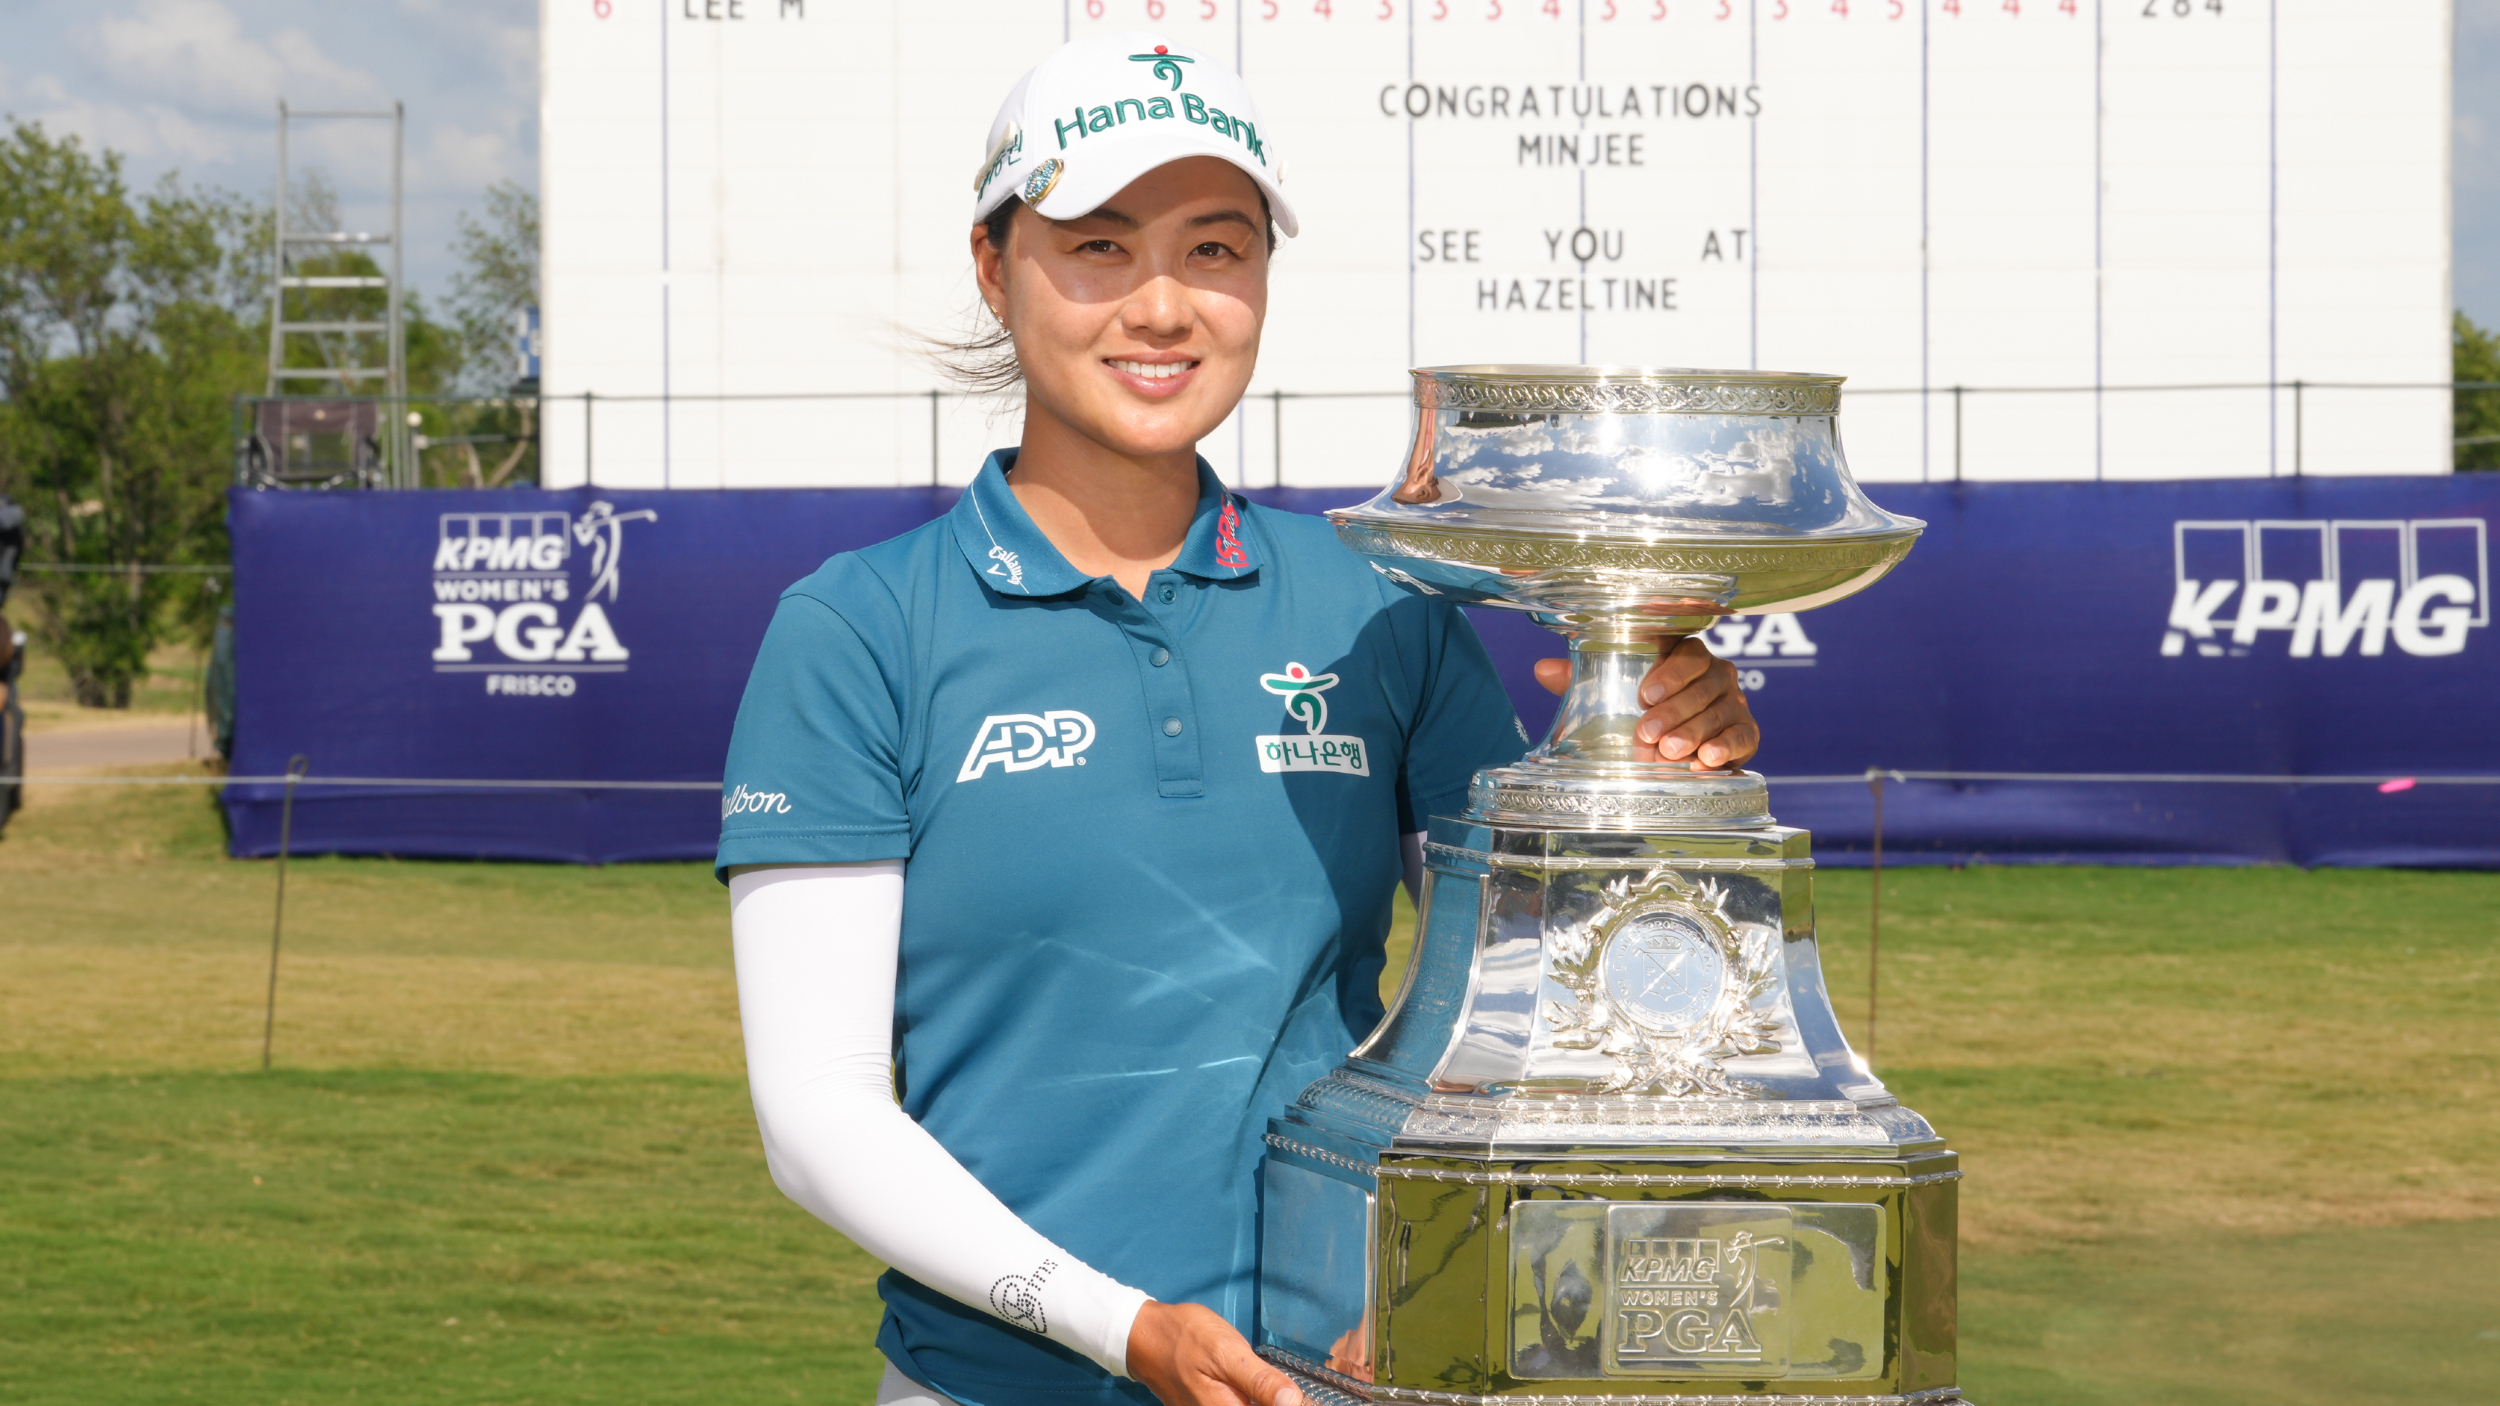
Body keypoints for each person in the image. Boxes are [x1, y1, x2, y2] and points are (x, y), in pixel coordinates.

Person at [716, 34, 1762, 1406]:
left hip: (1345, 1375)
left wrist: (1652, 761)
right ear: (992, 264)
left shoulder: (1381, 606)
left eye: (1216, 250)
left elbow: (1542, 1017)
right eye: (1098, 246)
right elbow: (818, 1116)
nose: (1163, 308)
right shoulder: (859, 630)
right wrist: (1122, 1326)